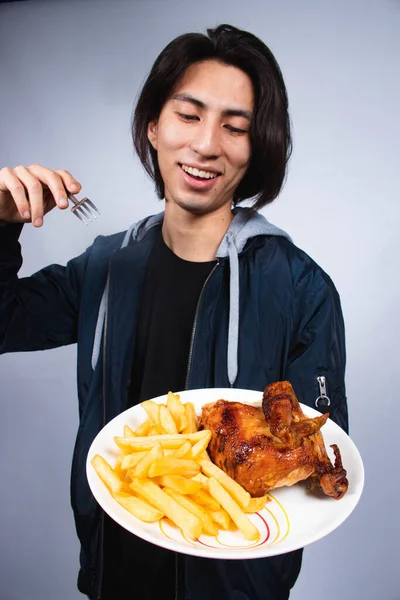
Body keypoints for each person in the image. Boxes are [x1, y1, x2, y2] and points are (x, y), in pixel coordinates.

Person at [0, 24, 348, 600]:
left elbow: (325, 450)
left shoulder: (302, 288)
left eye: (234, 127)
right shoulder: (104, 263)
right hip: (112, 575)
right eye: (189, 115)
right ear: (152, 127)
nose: (207, 144)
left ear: (256, 147)